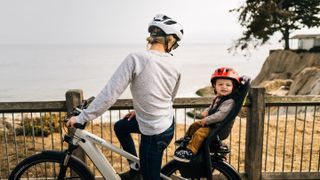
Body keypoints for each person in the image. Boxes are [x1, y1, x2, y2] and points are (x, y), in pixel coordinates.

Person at [66, 14, 183, 180]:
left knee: (150, 177)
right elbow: (169, 97)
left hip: (154, 132)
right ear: (170, 41)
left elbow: (110, 94)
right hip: (167, 122)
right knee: (121, 127)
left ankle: (141, 171)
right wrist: (139, 110)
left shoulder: (136, 58)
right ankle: (136, 167)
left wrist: (83, 116)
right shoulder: (176, 63)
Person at [173, 67, 241, 163]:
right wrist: (207, 111)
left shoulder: (229, 101)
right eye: (220, 84)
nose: (224, 87)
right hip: (213, 124)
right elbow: (213, 107)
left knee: (200, 133)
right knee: (195, 125)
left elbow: (220, 115)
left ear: (233, 87)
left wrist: (207, 119)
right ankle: (187, 139)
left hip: (218, 128)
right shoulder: (219, 98)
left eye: (228, 85)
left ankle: (190, 151)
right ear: (214, 86)